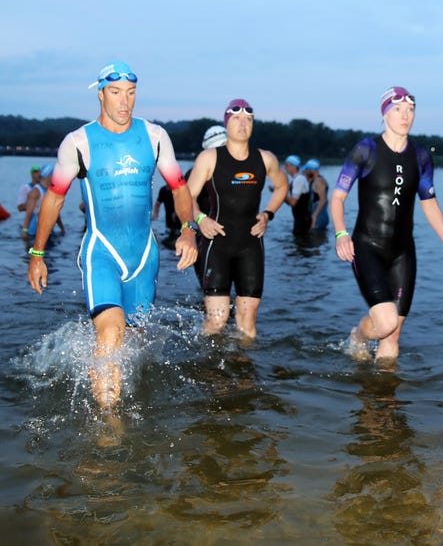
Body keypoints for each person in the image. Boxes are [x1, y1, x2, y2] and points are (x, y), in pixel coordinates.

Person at [27, 61, 198, 409]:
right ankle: (109, 424)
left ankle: (119, 397)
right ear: (101, 94)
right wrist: (38, 254)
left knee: (134, 340)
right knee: (110, 330)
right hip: (102, 251)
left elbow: (180, 188)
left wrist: (188, 231)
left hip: (144, 254)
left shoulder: (154, 137)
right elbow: (55, 198)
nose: (125, 102)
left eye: (131, 93)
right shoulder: (78, 142)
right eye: (116, 92)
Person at [330, 86, 443, 363]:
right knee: (386, 322)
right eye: (397, 110)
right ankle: (358, 335)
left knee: (393, 335)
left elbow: (429, 204)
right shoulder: (366, 150)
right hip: (367, 247)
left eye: (410, 110)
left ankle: (384, 401)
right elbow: (337, 198)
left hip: (403, 252)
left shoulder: (421, 158)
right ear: (384, 114)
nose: (405, 116)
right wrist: (341, 234)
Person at [187, 99, 288, 339]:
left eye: (248, 120)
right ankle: (205, 368)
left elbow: (283, 186)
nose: (243, 124)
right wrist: (200, 219)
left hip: (250, 245)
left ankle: (245, 372)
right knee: (217, 321)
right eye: (236, 119)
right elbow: (186, 196)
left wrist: (267, 214)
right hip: (217, 244)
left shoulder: (265, 159)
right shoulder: (210, 158)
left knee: (247, 323)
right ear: (227, 124)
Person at [21, 164, 65, 240]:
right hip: (35, 232)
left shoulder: (53, 192)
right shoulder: (35, 192)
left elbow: (55, 213)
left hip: (49, 231)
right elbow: (29, 213)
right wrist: (24, 231)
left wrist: (62, 228)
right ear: (48, 176)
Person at [283, 154, 311, 235]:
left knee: (300, 243)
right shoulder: (296, 179)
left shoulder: (299, 179)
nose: (285, 167)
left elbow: (293, 202)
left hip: (302, 220)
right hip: (300, 218)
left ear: (293, 166)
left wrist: (280, 194)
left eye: (287, 165)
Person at [303, 158, 329, 231]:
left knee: (315, 239)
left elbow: (323, 200)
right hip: (319, 214)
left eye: (307, 169)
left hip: (318, 216)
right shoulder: (316, 180)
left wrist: (314, 215)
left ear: (311, 169)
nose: (306, 171)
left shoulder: (319, 181)